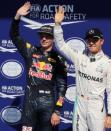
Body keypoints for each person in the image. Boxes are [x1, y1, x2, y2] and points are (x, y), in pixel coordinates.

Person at [54, 6, 111, 131]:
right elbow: (60, 45)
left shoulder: (109, 62)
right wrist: (57, 25)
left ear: (102, 41)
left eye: (95, 40)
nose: (91, 42)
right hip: (80, 104)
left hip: (97, 106)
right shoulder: (79, 56)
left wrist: (110, 114)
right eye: (89, 40)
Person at [10, 2, 67, 131]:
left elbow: (62, 87)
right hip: (30, 101)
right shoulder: (31, 51)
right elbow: (14, 36)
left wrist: (57, 111)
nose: (44, 39)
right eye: (42, 36)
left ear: (53, 38)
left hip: (48, 103)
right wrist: (17, 16)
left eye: (48, 36)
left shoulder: (59, 59)